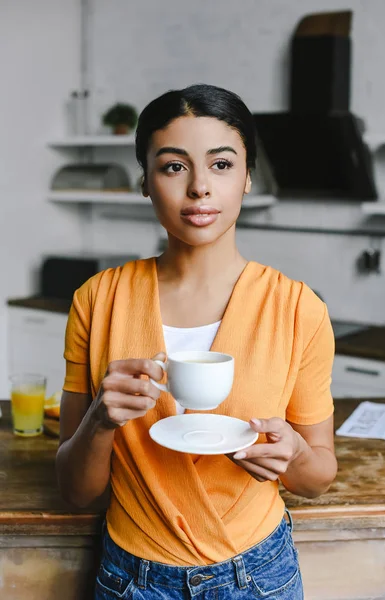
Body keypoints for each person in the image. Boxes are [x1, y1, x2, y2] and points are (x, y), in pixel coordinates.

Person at [56, 83, 337, 600]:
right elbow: (76, 493)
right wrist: (100, 418)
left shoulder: (298, 309)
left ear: (248, 176)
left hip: (260, 576)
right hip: (130, 577)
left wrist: (293, 455)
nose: (200, 188)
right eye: (173, 166)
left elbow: (319, 475)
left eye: (222, 164)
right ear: (146, 180)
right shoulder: (96, 301)